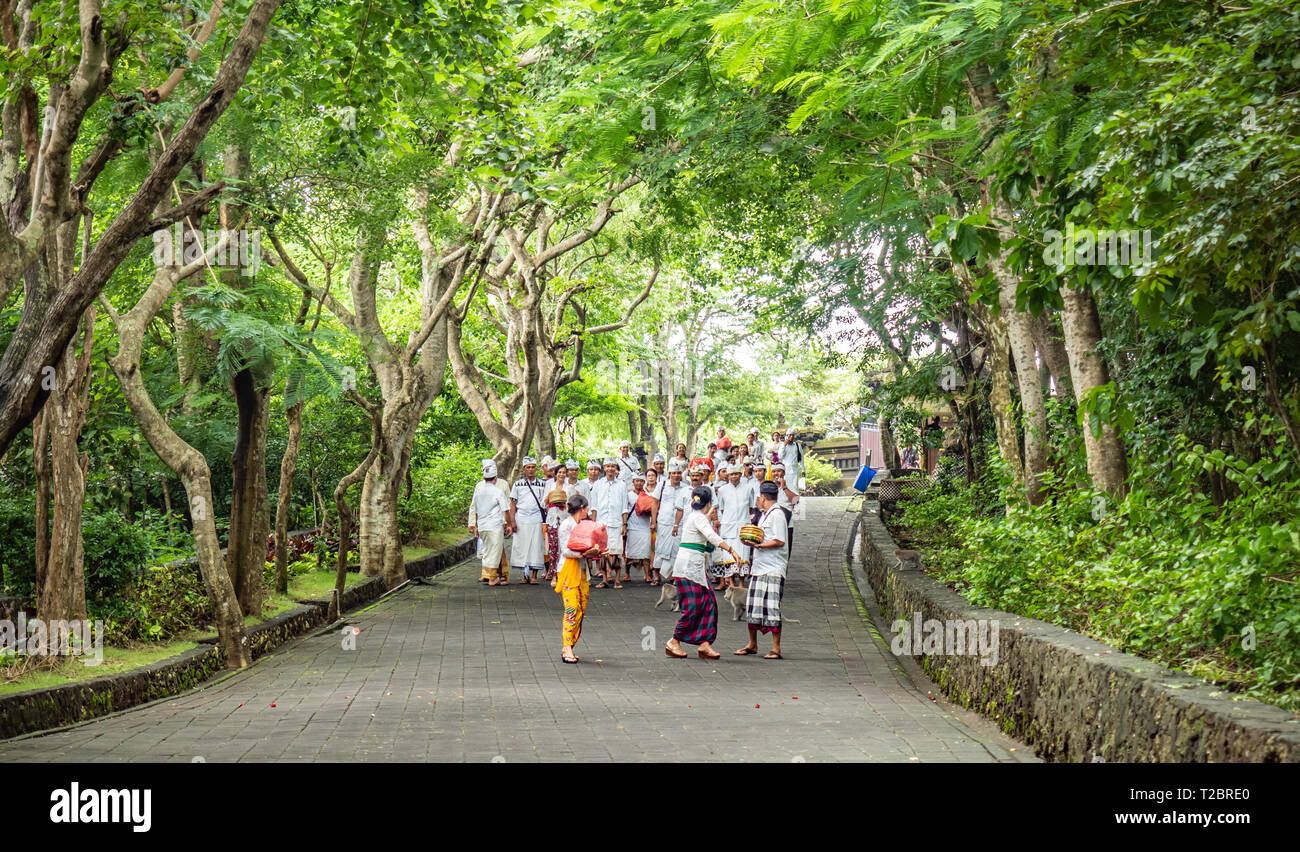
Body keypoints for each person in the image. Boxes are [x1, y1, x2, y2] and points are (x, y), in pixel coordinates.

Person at [665, 486, 742, 660]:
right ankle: (674, 640)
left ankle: (705, 643)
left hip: (696, 567)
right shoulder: (697, 518)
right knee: (692, 606)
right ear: (708, 503)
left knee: (709, 603)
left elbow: (707, 538)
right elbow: (711, 536)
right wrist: (732, 550)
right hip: (688, 567)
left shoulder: (697, 518)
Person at [733, 481, 789, 660]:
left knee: (771, 607)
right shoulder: (765, 514)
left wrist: (759, 545)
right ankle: (752, 644)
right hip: (759, 566)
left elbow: (779, 541)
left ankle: (776, 647)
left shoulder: (777, 514)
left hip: (773, 567)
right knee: (754, 606)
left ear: (763, 497)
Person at [556, 494, 602, 664]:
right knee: (571, 609)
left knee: (581, 608)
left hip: (582, 570)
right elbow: (566, 551)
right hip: (569, 571)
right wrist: (585, 553)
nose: (588, 511)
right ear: (581, 508)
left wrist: (597, 551)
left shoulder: (585, 525)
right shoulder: (566, 526)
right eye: (586, 508)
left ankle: (570, 644)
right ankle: (567, 646)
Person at [468, 459, 512, 586]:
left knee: (489, 550)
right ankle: (492, 577)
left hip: (484, 525)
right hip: (494, 525)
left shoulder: (500, 485)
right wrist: (509, 524)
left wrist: (476, 525)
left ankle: (497, 574)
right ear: (495, 477)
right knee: (492, 551)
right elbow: (506, 509)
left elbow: (475, 509)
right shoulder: (489, 489)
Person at [589, 458, 629, 588]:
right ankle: (605, 579)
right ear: (604, 468)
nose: (610, 469)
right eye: (608, 466)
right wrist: (593, 525)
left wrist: (624, 524)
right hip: (601, 524)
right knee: (603, 553)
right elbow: (594, 506)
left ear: (616, 469)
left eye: (613, 466)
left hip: (616, 523)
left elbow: (624, 507)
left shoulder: (622, 485)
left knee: (616, 552)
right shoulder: (598, 485)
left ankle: (617, 580)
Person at [508, 457, 548, 584]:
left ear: (536, 469)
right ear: (524, 469)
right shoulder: (518, 484)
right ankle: (524, 575)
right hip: (521, 519)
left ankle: (534, 575)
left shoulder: (542, 484)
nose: (531, 470)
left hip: (536, 518)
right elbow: (513, 503)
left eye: (533, 467)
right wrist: (512, 521)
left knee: (536, 546)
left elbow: (545, 503)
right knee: (522, 546)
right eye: (528, 467)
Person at [714, 464, 754, 589]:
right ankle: (731, 582)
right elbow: (721, 509)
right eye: (731, 474)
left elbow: (751, 507)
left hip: (743, 525)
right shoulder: (722, 490)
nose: (734, 476)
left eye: (736, 474)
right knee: (728, 555)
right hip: (728, 526)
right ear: (728, 476)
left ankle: (741, 582)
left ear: (740, 474)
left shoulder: (749, 488)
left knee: (744, 553)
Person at [653, 460, 689, 586]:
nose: (676, 475)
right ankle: (656, 575)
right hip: (664, 521)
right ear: (669, 474)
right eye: (674, 473)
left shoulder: (686, 487)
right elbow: (655, 502)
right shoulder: (662, 485)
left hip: (679, 523)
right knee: (660, 548)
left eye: (679, 473)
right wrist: (653, 520)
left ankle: (674, 575)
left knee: (676, 549)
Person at [625, 471, 654, 583]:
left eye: (641, 481)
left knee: (646, 552)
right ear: (633, 482)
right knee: (629, 552)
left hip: (645, 526)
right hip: (632, 526)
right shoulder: (628, 495)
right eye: (637, 480)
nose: (639, 483)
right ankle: (627, 573)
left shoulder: (648, 495)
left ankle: (647, 575)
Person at [771, 462, 800, 557]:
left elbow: (796, 501)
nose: (776, 474)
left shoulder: (790, 484)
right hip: (772, 523)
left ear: (783, 473)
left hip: (787, 524)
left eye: (778, 471)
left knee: (785, 552)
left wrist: (784, 487)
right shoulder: (770, 486)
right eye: (774, 471)